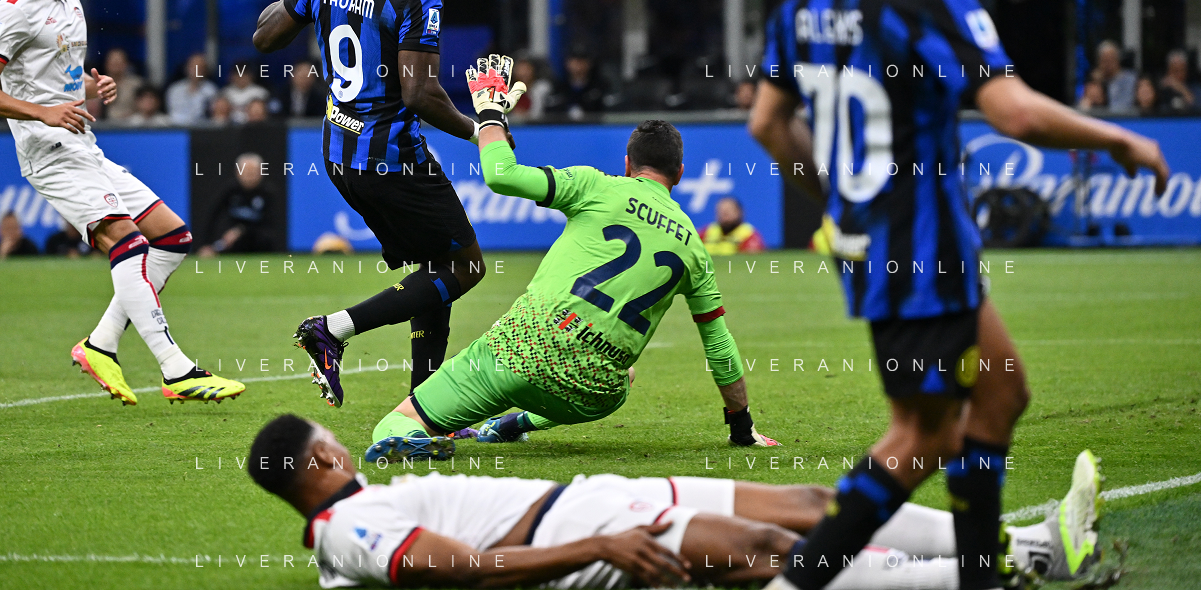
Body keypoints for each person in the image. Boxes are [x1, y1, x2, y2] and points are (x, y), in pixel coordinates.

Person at [747, 0, 1168, 590]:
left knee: (1001, 393)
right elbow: (1014, 113)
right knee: (921, 437)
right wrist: (1115, 137)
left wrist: (840, 197)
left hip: (880, 242)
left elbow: (766, 123)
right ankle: (794, 583)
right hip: (921, 246)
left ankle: (979, 579)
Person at [366, 56, 776, 462]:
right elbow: (719, 346)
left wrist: (490, 117)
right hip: (590, 391)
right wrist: (741, 425)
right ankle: (515, 423)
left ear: (628, 164)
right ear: (680, 173)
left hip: (517, 353)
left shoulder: (596, 185)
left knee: (396, 423)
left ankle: (414, 437)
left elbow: (501, 175)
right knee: (626, 376)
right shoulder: (695, 248)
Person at [248, 415, 1105, 589]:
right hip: (584, 529)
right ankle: (1021, 561)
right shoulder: (348, 526)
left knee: (810, 502)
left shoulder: (350, 516)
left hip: (592, 502)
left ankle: (1018, 543)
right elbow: (465, 570)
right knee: (768, 553)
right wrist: (596, 547)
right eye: (330, 439)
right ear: (318, 460)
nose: (341, 440)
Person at [253, 0, 491, 408]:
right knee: (465, 266)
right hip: (392, 157)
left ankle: (425, 409)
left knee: (436, 265)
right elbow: (420, 93)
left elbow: (264, 36)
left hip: (340, 151)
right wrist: (481, 129)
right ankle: (333, 329)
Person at [0, 0, 245, 407]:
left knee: (172, 237)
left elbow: (54, 77)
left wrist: (92, 87)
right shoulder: (16, 8)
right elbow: (32, 97)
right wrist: (42, 113)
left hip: (84, 146)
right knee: (127, 243)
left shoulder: (70, 0)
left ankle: (100, 344)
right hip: (49, 152)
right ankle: (176, 369)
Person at [197, 152, 277, 255]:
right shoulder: (230, 191)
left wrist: (241, 230)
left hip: (260, 244)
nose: (250, 176)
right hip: (234, 245)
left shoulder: (268, 193)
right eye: (246, 172)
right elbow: (213, 217)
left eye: (253, 172)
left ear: (261, 172)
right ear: (237, 172)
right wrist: (207, 245)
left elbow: (270, 224)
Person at [546, 51, 607, 119]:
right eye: (575, 62)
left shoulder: (599, 87)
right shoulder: (559, 87)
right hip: (563, 124)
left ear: (589, 64)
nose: (578, 66)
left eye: (582, 62)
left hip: (593, 124)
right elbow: (549, 112)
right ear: (567, 64)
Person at [701, 196, 766, 256]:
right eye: (720, 211)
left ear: (739, 212)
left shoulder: (748, 234)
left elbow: (751, 258)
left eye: (728, 211)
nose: (724, 215)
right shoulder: (707, 231)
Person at [165, 52, 218, 124]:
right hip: (177, 127)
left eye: (201, 68)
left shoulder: (212, 90)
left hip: (202, 128)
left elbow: (211, 115)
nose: (197, 71)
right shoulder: (175, 89)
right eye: (194, 67)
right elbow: (172, 112)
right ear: (187, 68)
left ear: (206, 70)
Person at [99, 47, 143, 121]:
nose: (116, 66)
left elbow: (145, 107)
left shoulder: (137, 84)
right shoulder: (96, 84)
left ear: (126, 64)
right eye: (113, 63)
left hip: (131, 123)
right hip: (101, 124)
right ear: (106, 64)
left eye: (119, 63)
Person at [1092, 40, 1136, 112]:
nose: (1108, 64)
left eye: (1111, 59)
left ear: (1117, 59)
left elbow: (1125, 106)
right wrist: (1098, 84)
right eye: (1104, 60)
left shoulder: (1130, 79)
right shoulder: (1095, 81)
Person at [221, 59, 270, 123]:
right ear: (231, 76)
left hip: (255, 125)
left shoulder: (261, 92)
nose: (241, 77)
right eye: (238, 74)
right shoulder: (225, 93)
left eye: (244, 74)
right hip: (229, 126)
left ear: (251, 76)